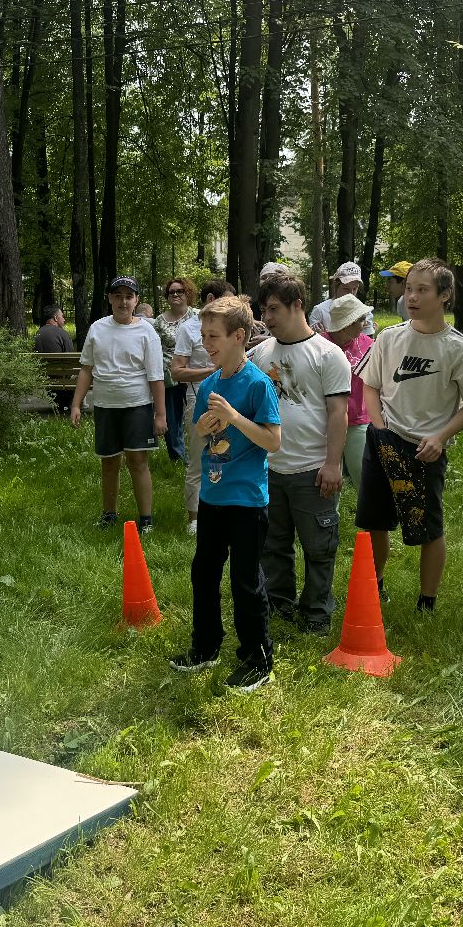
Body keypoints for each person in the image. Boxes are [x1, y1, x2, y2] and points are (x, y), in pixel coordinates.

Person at [354, 258, 463, 611]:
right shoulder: (389, 337)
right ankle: (375, 586)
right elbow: (370, 386)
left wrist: (441, 437)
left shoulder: (459, 348)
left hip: (425, 450)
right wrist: (380, 429)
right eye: (409, 289)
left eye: (422, 290)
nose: (411, 297)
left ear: (444, 295)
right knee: (375, 522)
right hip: (382, 439)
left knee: (429, 527)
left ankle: (426, 602)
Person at [169, 295, 281, 694]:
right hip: (212, 497)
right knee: (204, 572)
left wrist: (234, 418)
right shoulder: (211, 382)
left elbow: (273, 441)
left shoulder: (258, 384)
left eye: (213, 336)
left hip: (247, 500)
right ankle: (206, 646)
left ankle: (258, 659)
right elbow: (201, 434)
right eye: (203, 336)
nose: (207, 344)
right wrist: (202, 427)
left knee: (245, 580)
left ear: (239, 336)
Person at [251, 275, 350, 635]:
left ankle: (317, 612)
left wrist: (332, 463)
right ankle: (279, 603)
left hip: (313, 469)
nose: (268, 317)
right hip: (270, 469)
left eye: (274, 309)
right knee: (273, 544)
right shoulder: (261, 353)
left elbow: (339, 413)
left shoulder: (328, 354)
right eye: (263, 310)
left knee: (319, 546)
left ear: (297, 306)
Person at [70, 276, 167, 532]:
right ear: (110, 299)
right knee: (109, 461)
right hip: (105, 405)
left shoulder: (147, 331)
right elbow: (86, 370)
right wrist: (76, 404)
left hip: (138, 405)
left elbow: (156, 376)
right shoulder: (97, 328)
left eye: (128, 296)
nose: (123, 301)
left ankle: (146, 519)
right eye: (118, 296)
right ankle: (109, 514)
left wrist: (160, 414)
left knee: (137, 461)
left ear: (136, 300)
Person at [172, 278, 233, 535]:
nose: (231, 306)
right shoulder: (188, 329)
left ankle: (226, 509)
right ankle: (194, 518)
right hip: (199, 400)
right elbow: (176, 370)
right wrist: (211, 371)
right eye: (226, 300)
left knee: (227, 455)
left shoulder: (232, 326)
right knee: (199, 459)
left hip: (232, 399)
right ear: (211, 300)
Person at [318, 294, 375, 491]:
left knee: (366, 480)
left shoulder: (369, 345)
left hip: (358, 421)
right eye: (360, 319)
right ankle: (329, 520)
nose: (365, 322)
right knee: (327, 483)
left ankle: (372, 521)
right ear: (345, 324)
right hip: (324, 422)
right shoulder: (318, 345)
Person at [155, 277, 198, 464]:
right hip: (169, 375)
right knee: (172, 417)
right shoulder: (159, 321)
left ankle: (200, 449)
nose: (175, 295)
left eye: (179, 291)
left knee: (195, 413)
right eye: (171, 292)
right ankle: (178, 456)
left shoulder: (199, 316)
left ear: (188, 293)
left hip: (195, 373)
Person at [309, 261, 375, 336]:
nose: (351, 293)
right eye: (346, 289)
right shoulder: (320, 311)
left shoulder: (365, 312)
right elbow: (310, 343)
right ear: (336, 286)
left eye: (355, 289)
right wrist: (320, 337)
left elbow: (368, 343)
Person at [34, 304, 76, 412]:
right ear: (56, 318)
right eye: (62, 316)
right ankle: (77, 404)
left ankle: (61, 403)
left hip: (46, 379)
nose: (64, 319)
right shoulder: (62, 333)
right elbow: (71, 358)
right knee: (82, 372)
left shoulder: (38, 334)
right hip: (63, 379)